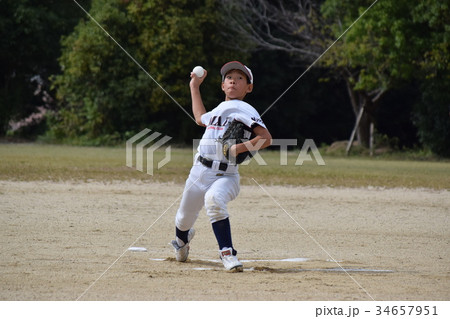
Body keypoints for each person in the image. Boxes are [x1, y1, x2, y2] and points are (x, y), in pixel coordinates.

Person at [171, 61, 272, 272]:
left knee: (214, 200)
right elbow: (200, 118)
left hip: (227, 176)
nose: (233, 80)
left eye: (240, 78)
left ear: (249, 87)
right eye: (229, 77)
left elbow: (265, 138)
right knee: (182, 220)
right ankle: (182, 241)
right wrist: (194, 87)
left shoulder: (245, 109)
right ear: (223, 85)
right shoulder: (220, 108)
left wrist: (240, 148)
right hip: (199, 172)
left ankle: (227, 253)